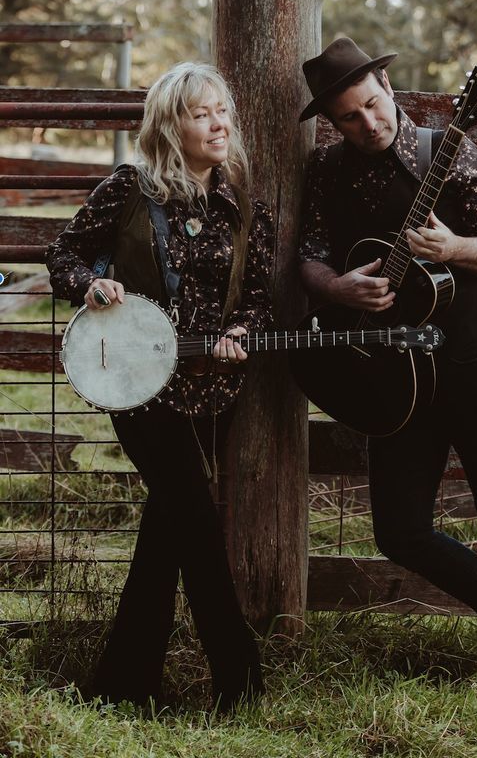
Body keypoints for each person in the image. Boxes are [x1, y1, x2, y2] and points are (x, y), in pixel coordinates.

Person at [296, 36, 477, 708]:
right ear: (330, 122)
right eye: (349, 117)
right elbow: (306, 257)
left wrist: (452, 246)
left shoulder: (442, 151)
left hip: (467, 358)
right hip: (391, 377)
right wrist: (337, 289)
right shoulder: (325, 173)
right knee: (398, 530)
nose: (368, 124)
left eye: (372, 105)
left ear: (388, 89)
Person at [47, 62, 274, 714]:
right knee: (197, 524)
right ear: (170, 124)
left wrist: (239, 332)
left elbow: (257, 297)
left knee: (169, 528)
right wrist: (91, 286)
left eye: (222, 111)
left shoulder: (241, 205)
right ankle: (239, 681)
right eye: (202, 113)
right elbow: (63, 255)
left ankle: (124, 682)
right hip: (139, 384)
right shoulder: (129, 189)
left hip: (213, 390)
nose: (219, 123)